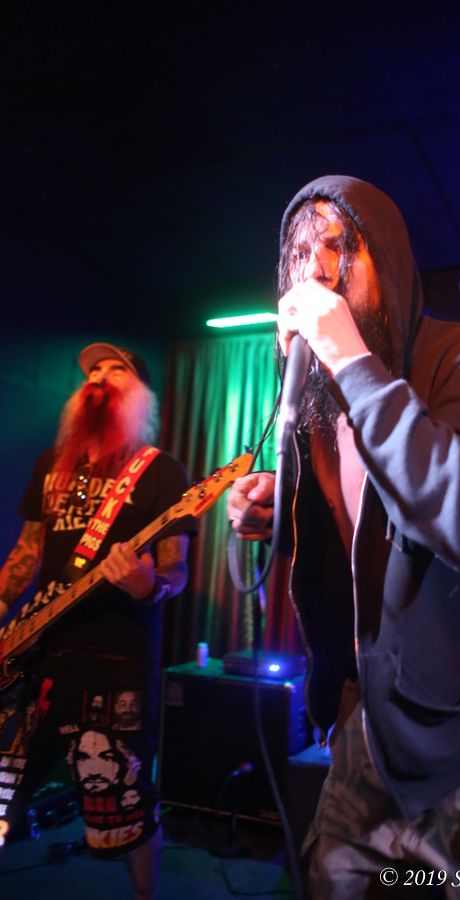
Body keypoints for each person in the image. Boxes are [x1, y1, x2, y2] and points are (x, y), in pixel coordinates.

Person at [227, 176, 460, 897]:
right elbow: (359, 544)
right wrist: (277, 517)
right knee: (326, 877)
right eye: (299, 254)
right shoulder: (319, 407)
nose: (316, 269)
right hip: (374, 715)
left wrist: (353, 360)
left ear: (387, 260)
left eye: (338, 246)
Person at [0, 342, 195, 899]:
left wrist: (146, 585)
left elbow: (175, 571)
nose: (100, 376)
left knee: (124, 806)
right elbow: (25, 555)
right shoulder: (51, 465)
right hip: (38, 656)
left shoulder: (161, 471)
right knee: (2, 786)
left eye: (117, 369)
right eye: (94, 370)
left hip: (114, 665)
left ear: (141, 395)